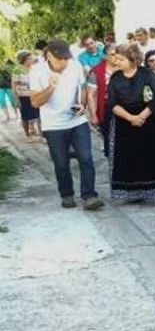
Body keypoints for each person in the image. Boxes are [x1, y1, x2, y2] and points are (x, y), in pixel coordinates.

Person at [29, 40, 103, 211]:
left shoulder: (75, 66)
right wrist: (51, 87)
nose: (64, 62)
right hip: (53, 125)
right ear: (49, 55)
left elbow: (82, 88)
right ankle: (67, 194)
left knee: (86, 158)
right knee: (61, 162)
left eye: (66, 57)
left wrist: (81, 104)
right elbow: (35, 102)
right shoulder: (37, 71)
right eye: (59, 58)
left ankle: (89, 196)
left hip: (76, 121)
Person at [107, 44, 155, 208]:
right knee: (129, 158)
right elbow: (112, 102)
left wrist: (142, 116)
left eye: (120, 58)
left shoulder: (146, 74)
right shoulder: (115, 77)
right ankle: (134, 192)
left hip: (149, 120)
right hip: (124, 122)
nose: (116, 61)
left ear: (132, 59)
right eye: (115, 58)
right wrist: (130, 117)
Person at [86, 44, 119, 158]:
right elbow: (91, 95)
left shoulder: (124, 68)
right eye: (113, 54)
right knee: (109, 138)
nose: (116, 57)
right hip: (107, 109)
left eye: (118, 54)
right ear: (105, 56)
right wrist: (93, 115)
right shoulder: (97, 72)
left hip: (125, 107)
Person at [14, 51, 41, 141]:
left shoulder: (35, 68)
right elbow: (14, 85)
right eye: (29, 58)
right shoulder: (17, 69)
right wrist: (16, 99)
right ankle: (28, 135)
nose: (32, 59)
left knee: (39, 115)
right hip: (23, 96)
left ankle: (41, 135)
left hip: (35, 94)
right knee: (25, 116)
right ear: (24, 60)